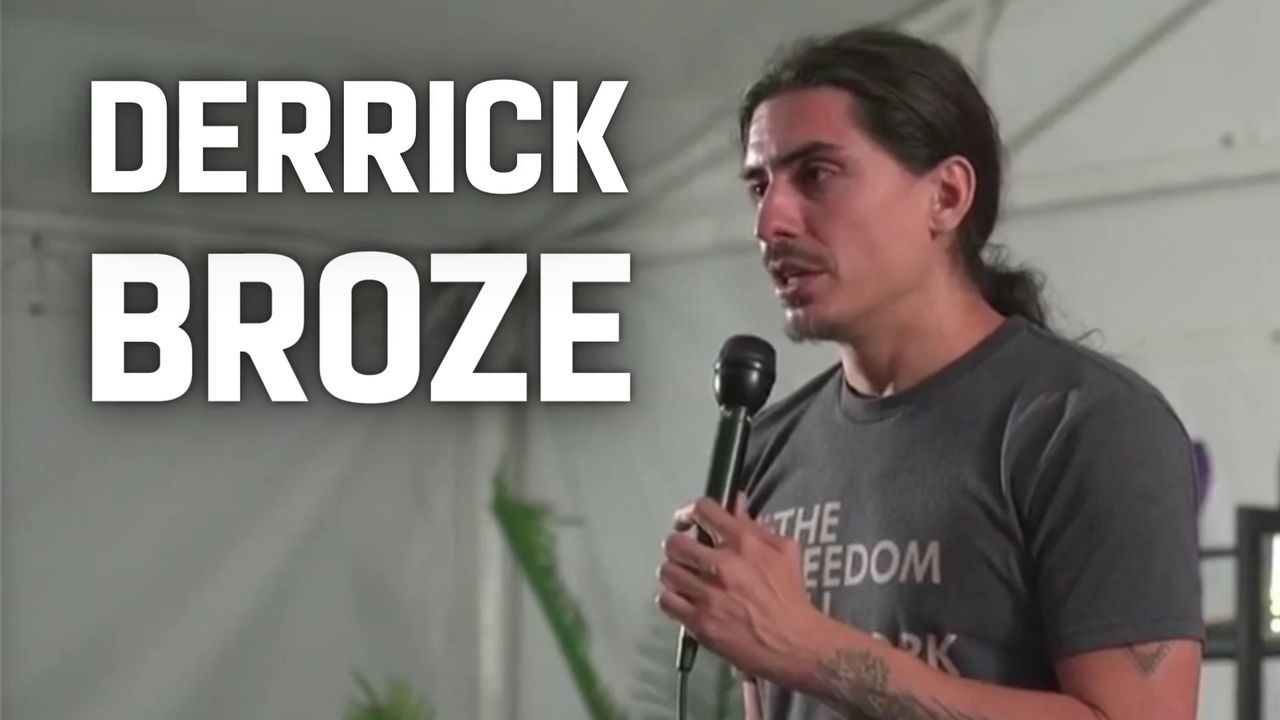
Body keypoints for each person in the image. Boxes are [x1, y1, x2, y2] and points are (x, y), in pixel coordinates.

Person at [655, 27, 1204, 720]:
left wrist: (811, 650)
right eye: (759, 186)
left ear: (946, 195)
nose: (771, 223)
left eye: (816, 174)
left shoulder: (1086, 427)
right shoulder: (769, 447)